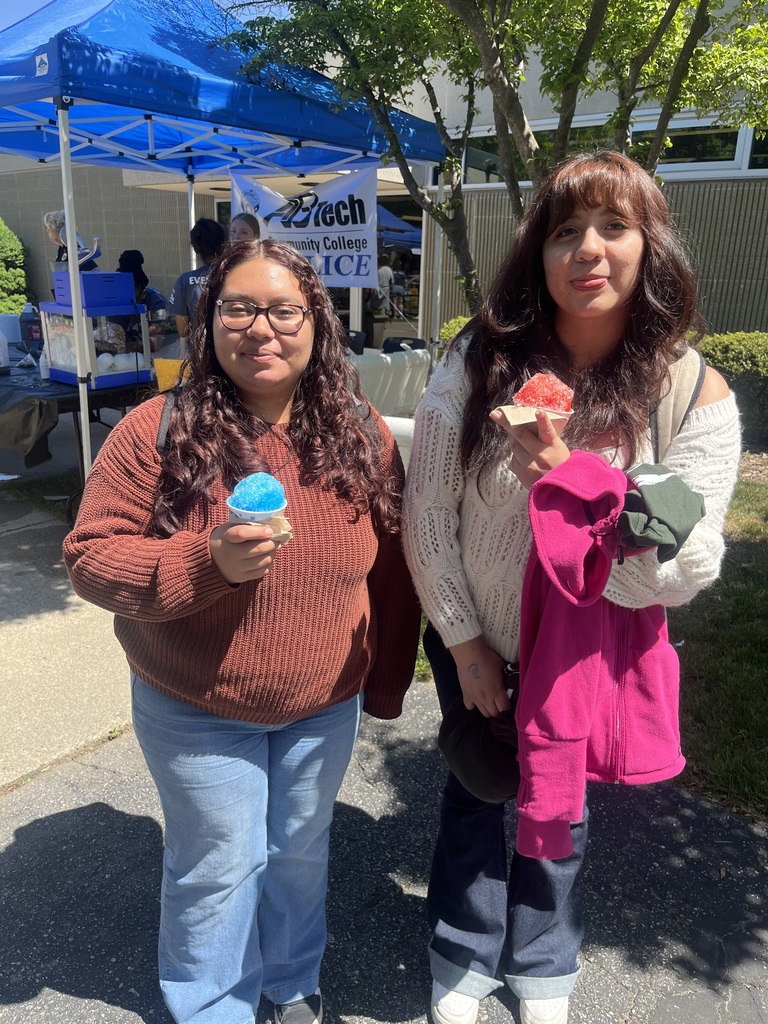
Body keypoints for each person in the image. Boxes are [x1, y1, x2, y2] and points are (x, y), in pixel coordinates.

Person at [402, 151, 741, 1024]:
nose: (587, 250)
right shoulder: (479, 359)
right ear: (537, 253)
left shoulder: (694, 395)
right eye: (564, 232)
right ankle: (462, 952)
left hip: (588, 643)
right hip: (474, 624)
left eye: (613, 227)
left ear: (649, 246)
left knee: (562, 806)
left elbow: (687, 567)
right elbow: (428, 511)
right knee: (475, 788)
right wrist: (466, 642)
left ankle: (545, 962)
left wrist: (573, 475)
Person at [63, 238, 420, 1024]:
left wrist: (387, 678)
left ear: (317, 323)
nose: (262, 328)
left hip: (323, 701)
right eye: (239, 307)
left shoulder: (362, 435)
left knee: (298, 853)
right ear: (209, 320)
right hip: (195, 699)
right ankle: (211, 1004)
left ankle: (291, 982)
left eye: (285, 309)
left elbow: (392, 573)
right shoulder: (158, 429)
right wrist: (205, 562)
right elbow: (90, 557)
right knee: (218, 865)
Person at [169, 217, 227, 343]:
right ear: (223, 243)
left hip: (201, 355)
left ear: (195, 248)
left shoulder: (184, 281)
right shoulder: (234, 276)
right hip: (232, 350)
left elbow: (182, 330)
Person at [114, 249, 171, 350]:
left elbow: (155, 343)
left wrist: (125, 346)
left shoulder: (157, 304)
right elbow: (112, 338)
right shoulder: (116, 303)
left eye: (133, 299)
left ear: (143, 293)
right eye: (124, 297)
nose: (128, 304)